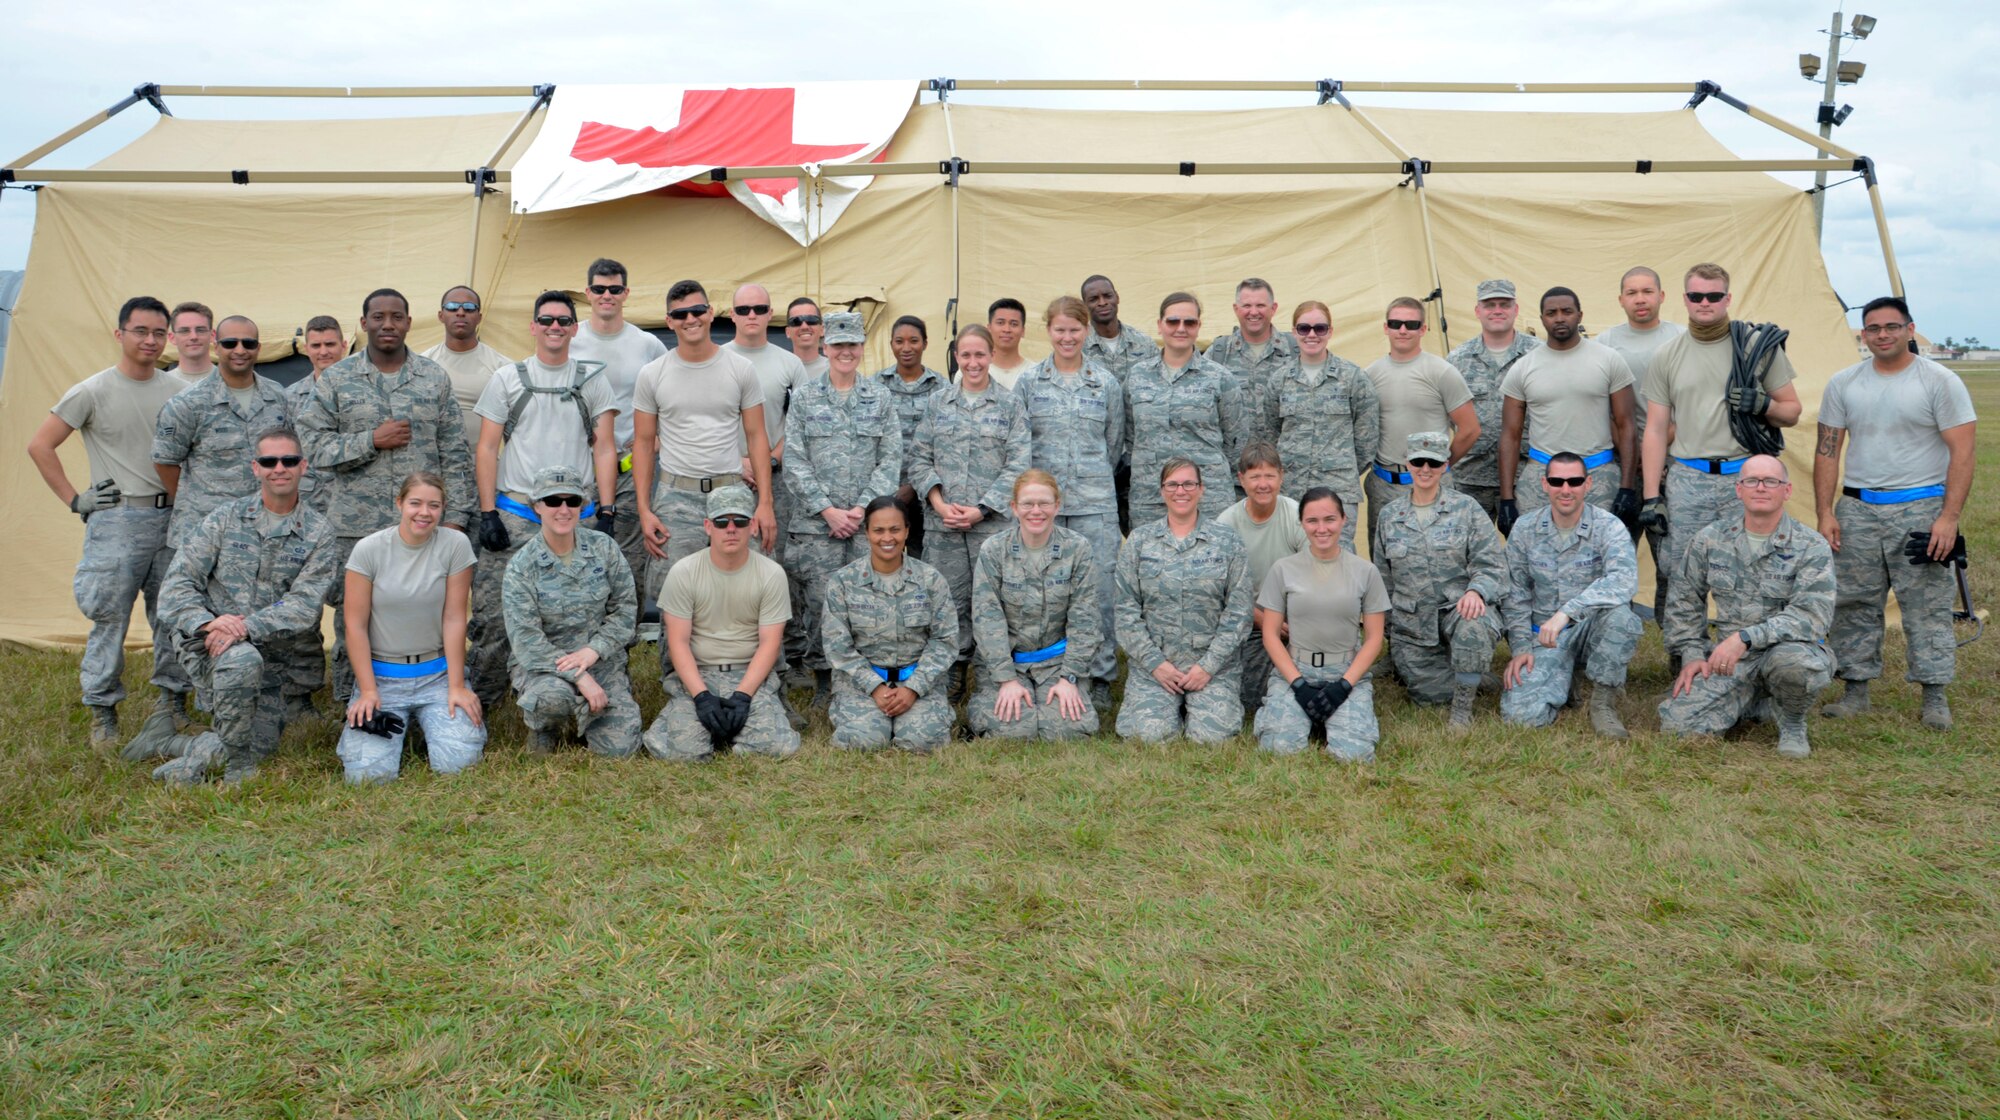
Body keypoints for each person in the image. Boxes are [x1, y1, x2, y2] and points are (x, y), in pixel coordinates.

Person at [295, 287, 476, 703]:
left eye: (397, 317)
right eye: (378, 317)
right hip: (356, 527)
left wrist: (455, 520)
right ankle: (352, 702)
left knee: (429, 610)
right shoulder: (338, 379)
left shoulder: (432, 378)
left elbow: (454, 452)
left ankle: (433, 695)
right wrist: (370, 441)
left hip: (424, 526)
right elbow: (313, 447)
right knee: (352, 618)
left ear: (409, 323)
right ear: (363, 324)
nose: (388, 324)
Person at [28, 296, 192, 749]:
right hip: (118, 519)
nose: (151, 340)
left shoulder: (178, 392)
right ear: (120, 334)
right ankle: (103, 710)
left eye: (160, 333)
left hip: (171, 519)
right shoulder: (92, 391)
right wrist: (74, 500)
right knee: (109, 617)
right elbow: (41, 445)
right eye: (141, 331)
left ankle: (173, 702)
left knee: (172, 616)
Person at [1815, 296, 1977, 731]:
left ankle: (1934, 696)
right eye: (1873, 328)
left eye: (1891, 326)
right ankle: (1855, 690)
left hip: (1920, 508)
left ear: (1910, 328)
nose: (1882, 335)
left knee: (1926, 604)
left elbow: (1963, 451)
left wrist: (1948, 517)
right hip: (1858, 508)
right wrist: (1825, 511)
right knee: (1852, 602)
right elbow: (1827, 450)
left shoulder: (1939, 382)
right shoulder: (1844, 382)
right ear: (1863, 334)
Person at [149, 428, 340, 785]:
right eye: (269, 461)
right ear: (255, 468)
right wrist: (210, 624)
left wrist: (244, 627)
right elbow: (176, 585)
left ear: (303, 467)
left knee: (261, 741)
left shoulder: (319, 532)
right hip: (210, 644)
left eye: (289, 460)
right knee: (241, 661)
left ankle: (169, 744)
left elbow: (302, 605)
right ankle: (238, 769)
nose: (279, 468)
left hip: (274, 655)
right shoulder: (225, 518)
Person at [141, 313, 294, 748]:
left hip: (261, 530)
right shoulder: (189, 403)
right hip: (201, 533)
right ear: (215, 346)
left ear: (258, 348)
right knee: (184, 617)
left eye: (248, 342)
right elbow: (166, 461)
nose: (240, 350)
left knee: (250, 613)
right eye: (230, 343)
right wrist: (200, 507)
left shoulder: (279, 399)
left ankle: (248, 697)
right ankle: (170, 702)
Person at [469, 291, 618, 709]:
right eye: (547, 320)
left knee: (580, 614)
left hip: (576, 515)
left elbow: (604, 447)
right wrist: (487, 512)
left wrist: (606, 511)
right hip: (517, 514)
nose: (555, 327)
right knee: (495, 614)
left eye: (564, 321)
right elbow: (487, 447)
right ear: (533, 326)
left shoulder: (592, 380)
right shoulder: (507, 379)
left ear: (574, 328)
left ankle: (575, 692)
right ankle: (485, 700)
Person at [1639, 263, 1803, 631]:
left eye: (1714, 296)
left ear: (1727, 298)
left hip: (1744, 480)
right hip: (1688, 479)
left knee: (1751, 570)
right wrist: (1652, 497)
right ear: (1685, 299)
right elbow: (1655, 428)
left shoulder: (1756, 348)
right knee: (1680, 573)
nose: (1705, 303)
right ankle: (1683, 657)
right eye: (1696, 296)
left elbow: (1791, 411)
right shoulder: (1667, 355)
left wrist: (1763, 406)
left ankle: (1746, 653)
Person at [1660, 455, 1835, 758]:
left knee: (1796, 666)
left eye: (1771, 481)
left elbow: (1811, 616)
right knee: (1677, 726)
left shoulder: (1810, 545)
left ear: (1787, 490)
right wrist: (1691, 654)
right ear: (1739, 489)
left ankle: (1793, 722)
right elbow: (1684, 600)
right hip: (1731, 661)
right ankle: (1755, 701)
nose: (1761, 488)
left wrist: (1745, 638)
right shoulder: (1709, 540)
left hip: (1787, 650)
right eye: (1752, 481)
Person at [784, 311, 903, 709]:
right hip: (818, 528)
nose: (845, 352)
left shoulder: (880, 398)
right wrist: (828, 511)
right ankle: (823, 679)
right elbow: (795, 461)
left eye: (852, 345)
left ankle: (865, 677)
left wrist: (860, 512)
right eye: (838, 345)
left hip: (867, 526)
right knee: (820, 603)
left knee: (867, 601)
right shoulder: (804, 398)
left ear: (862, 349)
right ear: (825, 347)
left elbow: (890, 459)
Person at [908, 324, 1032, 699]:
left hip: (991, 527)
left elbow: (1018, 464)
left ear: (992, 356)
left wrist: (980, 509)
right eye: (966, 355)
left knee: (995, 600)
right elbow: (918, 458)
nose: (973, 362)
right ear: (956, 358)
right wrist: (939, 502)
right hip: (942, 524)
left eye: (980, 354)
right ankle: (952, 672)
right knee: (947, 600)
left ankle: (993, 671)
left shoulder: (1010, 405)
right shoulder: (937, 403)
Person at [336, 471, 483, 782]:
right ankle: (407, 728)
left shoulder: (455, 545)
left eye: (434, 505)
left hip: (437, 676)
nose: (424, 513)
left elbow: (455, 618)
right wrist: (367, 691)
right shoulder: (368, 550)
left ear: (443, 509)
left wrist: (456, 686)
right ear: (399, 502)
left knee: (458, 766)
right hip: (383, 678)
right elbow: (355, 625)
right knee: (367, 777)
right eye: (415, 503)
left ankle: (432, 723)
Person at [1015, 296, 1125, 706]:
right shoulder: (1029, 383)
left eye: (1075, 330)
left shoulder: (1106, 383)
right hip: (1042, 509)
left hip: (1095, 504)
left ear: (1087, 331)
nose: (1067, 337)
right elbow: (1021, 446)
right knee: (1044, 592)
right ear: (1048, 331)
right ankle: (1048, 673)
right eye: (1060, 330)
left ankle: (1098, 678)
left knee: (1098, 593)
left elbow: (1113, 445)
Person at [643, 486, 800, 762]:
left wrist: (743, 695)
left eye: (739, 521)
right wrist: (701, 696)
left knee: (772, 748)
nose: (731, 529)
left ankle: (747, 718)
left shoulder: (771, 574)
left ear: (752, 527)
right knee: (685, 753)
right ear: (707, 526)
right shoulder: (684, 572)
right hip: (698, 674)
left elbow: (770, 644)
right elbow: (677, 644)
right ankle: (681, 714)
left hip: (749, 674)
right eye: (721, 521)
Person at [633, 279, 776, 574]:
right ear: (669, 322)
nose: (690, 319)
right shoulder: (651, 375)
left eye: (697, 310)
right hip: (675, 499)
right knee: (673, 593)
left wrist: (765, 502)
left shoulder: (740, 370)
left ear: (711, 312)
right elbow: (644, 444)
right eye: (680, 314)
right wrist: (644, 510)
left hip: (732, 492)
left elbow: (756, 436)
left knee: (742, 590)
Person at [500, 465, 641, 757]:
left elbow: (625, 610)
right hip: (545, 666)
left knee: (622, 751)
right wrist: (580, 676)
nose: (563, 509)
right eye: (553, 501)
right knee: (549, 699)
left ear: (583, 506)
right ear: (537, 506)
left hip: (600, 660)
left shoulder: (605, 549)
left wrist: (594, 651)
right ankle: (546, 727)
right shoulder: (521, 566)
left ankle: (590, 715)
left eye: (572, 501)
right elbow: (527, 639)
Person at [1499, 452, 1642, 738]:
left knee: (1621, 618)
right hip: (1545, 640)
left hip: (1592, 632)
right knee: (1521, 717)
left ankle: (1603, 703)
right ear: (1544, 484)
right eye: (1557, 481)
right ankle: (1570, 681)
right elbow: (1515, 594)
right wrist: (1520, 649)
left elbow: (1623, 580)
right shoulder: (1525, 529)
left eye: (1574, 481)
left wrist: (1567, 612)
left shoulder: (1608, 526)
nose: (1566, 489)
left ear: (1588, 484)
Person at [1374, 431, 1508, 728]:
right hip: (1414, 624)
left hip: (1457, 610)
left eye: (1433, 462)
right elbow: (1384, 579)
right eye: (1418, 461)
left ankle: (1462, 708)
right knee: (1426, 694)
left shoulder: (1467, 509)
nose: (1425, 469)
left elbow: (1493, 565)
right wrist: (1390, 628)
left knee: (1473, 626)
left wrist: (1476, 592)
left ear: (1445, 465)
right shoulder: (1389, 516)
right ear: (1407, 464)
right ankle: (1473, 675)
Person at [1114, 459, 1253, 743]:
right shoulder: (1140, 542)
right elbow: (1125, 612)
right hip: (1156, 666)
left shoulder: (1226, 541)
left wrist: (1208, 666)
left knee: (1211, 738)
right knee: (1147, 736)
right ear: (1162, 491)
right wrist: (1156, 664)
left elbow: (1239, 613)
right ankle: (1167, 708)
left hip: (1210, 666)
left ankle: (1198, 706)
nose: (1181, 491)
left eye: (1189, 484)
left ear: (1201, 489)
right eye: (1173, 484)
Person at [1253, 487, 1389, 760]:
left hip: (1345, 671)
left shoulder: (1366, 572)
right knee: (1280, 750)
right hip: (1296, 670)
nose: (1321, 528)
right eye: (1312, 521)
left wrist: (1344, 687)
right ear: (1301, 523)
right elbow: (1270, 634)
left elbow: (1374, 638)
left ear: (1343, 520)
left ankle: (1333, 721)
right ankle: (1301, 717)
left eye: (1329, 519)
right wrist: (1298, 685)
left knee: (1354, 756)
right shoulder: (1283, 569)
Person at [968, 469, 1104, 740]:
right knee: (1012, 731)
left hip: (1057, 662)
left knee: (1067, 731)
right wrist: (1006, 679)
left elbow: (1085, 618)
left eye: (1044, 503)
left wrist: (1070, 678)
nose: (1036, 511)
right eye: (1028, 504)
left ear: (1057, 506)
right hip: (1007, 662)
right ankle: (988, 698)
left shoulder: (1077, 549)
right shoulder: (994, 550)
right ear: (1014, 508)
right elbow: (987, 619)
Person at [821, 497, 959, 751]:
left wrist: (914, 689)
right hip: (861, 685)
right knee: (863, 741)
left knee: (921, 741)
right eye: (879, 530)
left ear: (907, 530)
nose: (888, 538)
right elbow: (837, 646)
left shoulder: (930, 580)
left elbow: (945, 641)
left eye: (895, 529)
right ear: (866, 533)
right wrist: (874, 687)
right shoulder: (843, 582)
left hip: (917, 681)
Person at [1496, 287, 1639, 532]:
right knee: (1538, 555)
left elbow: (1626, 424)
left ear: (1580, 315)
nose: (1560, 318)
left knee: (1600, 555)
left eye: (1567, 311)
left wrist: (1627, 487)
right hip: (1543, 476)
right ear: (1542, 319)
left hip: (1598, 474)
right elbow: (1510, 434)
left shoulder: (1609, 359)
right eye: (1551, 313)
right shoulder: (1523, 368)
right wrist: (1507, 498)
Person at [569, 258, 668, 606]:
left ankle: (622, 642)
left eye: (614, 289)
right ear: (588, 293)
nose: (606, 295)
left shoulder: (647, 345)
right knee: (573, 551)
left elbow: (669, 397)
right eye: (599, 289)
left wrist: (655, 441)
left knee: (626, 556)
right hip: (576, 466)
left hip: (628, 467)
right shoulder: (568, 336)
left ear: (626, 293)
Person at [1362, 298, 1479, 588]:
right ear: (1385, 328)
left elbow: (1469, 429)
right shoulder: (1370, 375)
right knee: (1387, 561)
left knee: (1441, 561)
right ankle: (1390, 628)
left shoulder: (1441, 372)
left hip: (1432, 484)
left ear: (1423, 328)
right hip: (1385, 483)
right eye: (1396, 324)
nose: (1403, 330)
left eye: (1411, 324)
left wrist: (1440, 465)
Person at [1596, 266, 1685, 625]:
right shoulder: (1604, 344)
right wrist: (1630, 458)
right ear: (1621, 300)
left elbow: (1689, 407)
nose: (1640, 299)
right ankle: (1612, 638)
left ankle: (1677, 646)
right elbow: (1605, 410)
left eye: (1647, 291)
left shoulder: (1682, 339)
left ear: (1662, 296)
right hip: (1622, 468)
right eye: (1632, 293)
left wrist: (1656, 455)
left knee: (1672, 561)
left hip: (1675, 465)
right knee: (1615, 558)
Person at [725, 285, 808, 637]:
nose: (752, 316)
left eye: (759, 309)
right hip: (728, 478)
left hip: (777, 479)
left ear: (770, 313)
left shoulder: (790, 364)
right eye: (743, 310)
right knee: (730, 560)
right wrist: (737, 461)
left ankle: (786, 649)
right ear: (732, 315)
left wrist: (769, 461)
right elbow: (709, 421)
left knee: (780, 561)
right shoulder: (717, 359)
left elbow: (800, 425)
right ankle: (736, 640)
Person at [1264, 299, 1379, 544]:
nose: (1312, 335)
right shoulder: (1279, 380)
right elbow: (1271, 432)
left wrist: (1339, 468)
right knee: (1293, 560)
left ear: (1330, 331)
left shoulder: (1353, 378)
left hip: (1338, 489)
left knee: (1339, 561)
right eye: (1304, 328)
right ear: (1294, 332)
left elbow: (1366, 439)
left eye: (1320, 328)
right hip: (1291, 489)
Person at [1125, 292, 1245, 525]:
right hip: (1151, 496)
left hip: (1208, 496)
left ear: (1198, 326)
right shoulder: (1137, 376)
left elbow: (1236, 439)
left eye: (1189, 322)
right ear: (1160, 325)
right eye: (1173, 321)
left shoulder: (1219, 378)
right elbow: (1130, 436)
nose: (1181, 328)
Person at [1218, 443, 1308, 714]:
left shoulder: (1296, 516)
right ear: (1241, 479)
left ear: (1281, 476)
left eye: (1269, 476)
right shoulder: (1226, 525)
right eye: (1255, 476)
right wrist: (1265, 620)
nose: (1263, 484)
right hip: (1251, 622)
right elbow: (1222, 592)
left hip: (1298, 618)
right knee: (1252, 697)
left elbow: (1317, 577)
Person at [1445, 280, 1538, 518]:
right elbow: (1442, 417)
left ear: (1516, 310)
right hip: (1470, 477)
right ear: (1477, 311)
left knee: (1528, 551)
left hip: (1525, 476)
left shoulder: (1538, 355)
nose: (1497, 310)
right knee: (1468, 551)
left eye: (1504, 304)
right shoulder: (1457, 360)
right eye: (1489, 305)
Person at [1080, 274, 1160, 538]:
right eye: (1094, 299)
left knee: (1141, 536)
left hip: (1139, 462)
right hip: (1096, 462)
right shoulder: (1078, 349)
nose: (1102, 303)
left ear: (1117, 297)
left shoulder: (1145, 345)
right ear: (1085, 306)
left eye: (1107, 295)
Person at [874, 314, 947, 557]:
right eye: (899, 341)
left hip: (929, 494)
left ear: (925, 343)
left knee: (923, 561)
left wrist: (915, 486)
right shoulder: (874, 385)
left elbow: (946, 445)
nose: (906, 348)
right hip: (882, 490)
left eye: (914, 341)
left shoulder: (942, 387)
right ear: (891, 344)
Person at [417, 286, 513, 464]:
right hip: (431, 465)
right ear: (441, 315)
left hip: (482, 464)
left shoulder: (503, 368)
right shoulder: (421, 365)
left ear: (479, 317)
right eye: (452, 307)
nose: (460, 312)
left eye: (469, 308)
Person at [1204, 278, 1297, 449]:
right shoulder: (1218, 353)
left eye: (1260, 305)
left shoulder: (1295, 351)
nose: (1253, 312)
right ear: (1236, 309)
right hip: (1235, 465)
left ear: (1273, 308)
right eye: (1247, 306)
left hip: (1284, 465)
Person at [165, 301, 216, 389]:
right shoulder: (162, 385)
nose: (194, 337)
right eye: (184, 331)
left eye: (200, 330)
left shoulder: (232, 381)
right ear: (172, 338)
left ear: (212, 335)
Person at [987, 297, 1030, 389]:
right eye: (1000, 323)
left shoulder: (1035, 373)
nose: (1007, 329)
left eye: (1014, 324)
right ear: (989, 328)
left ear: (1023, 331)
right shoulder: (973, 372)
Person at [786, 297, 829, 380]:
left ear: (822, 330)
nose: (804, 326)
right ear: (787, 332)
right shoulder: (777, 370)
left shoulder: (836, 371)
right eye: (796, 321)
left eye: (811, 320)